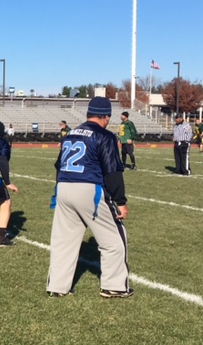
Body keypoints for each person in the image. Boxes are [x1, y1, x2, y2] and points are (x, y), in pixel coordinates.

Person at [47, 97, 133, 298]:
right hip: (89, 189)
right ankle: (115, 286)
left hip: (64, 186)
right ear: (105, 116)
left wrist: (57, 191)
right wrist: (120, 201)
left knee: (64, 241)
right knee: (114, 239)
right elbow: (112, 172)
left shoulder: (70, 134)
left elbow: (59, 165)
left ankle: (57, 287)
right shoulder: (104, 135)